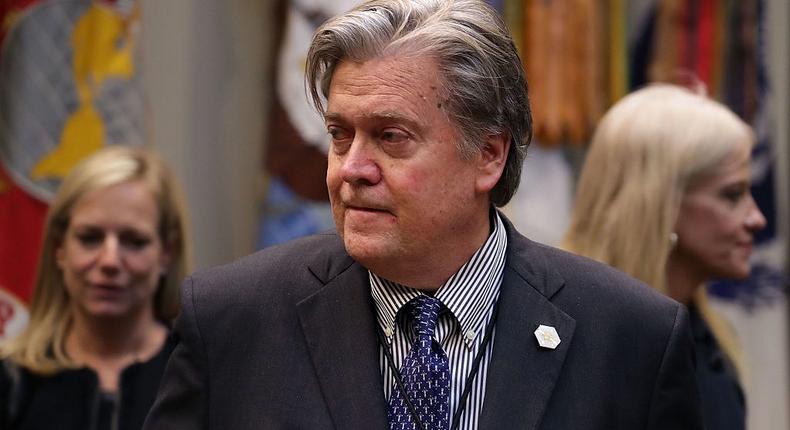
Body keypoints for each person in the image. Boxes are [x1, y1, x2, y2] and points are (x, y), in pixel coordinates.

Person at [144, 1, 703, 429]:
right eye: (340, 137)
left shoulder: (632, 339)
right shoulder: (231, 322)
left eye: (391, 137)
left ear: (489, 155)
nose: (350, 170)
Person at [562, 83, 765, 430]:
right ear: (661, 205)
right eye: (733, 195)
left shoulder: (709, 340)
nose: (756, 219)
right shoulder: (571, 345)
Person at [0, 145, 192, 430]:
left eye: (134, 241)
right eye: (90, 238)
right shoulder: (12, 380)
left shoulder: (197, 379)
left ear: (166, 252)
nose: (110, 261)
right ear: (59, 248)